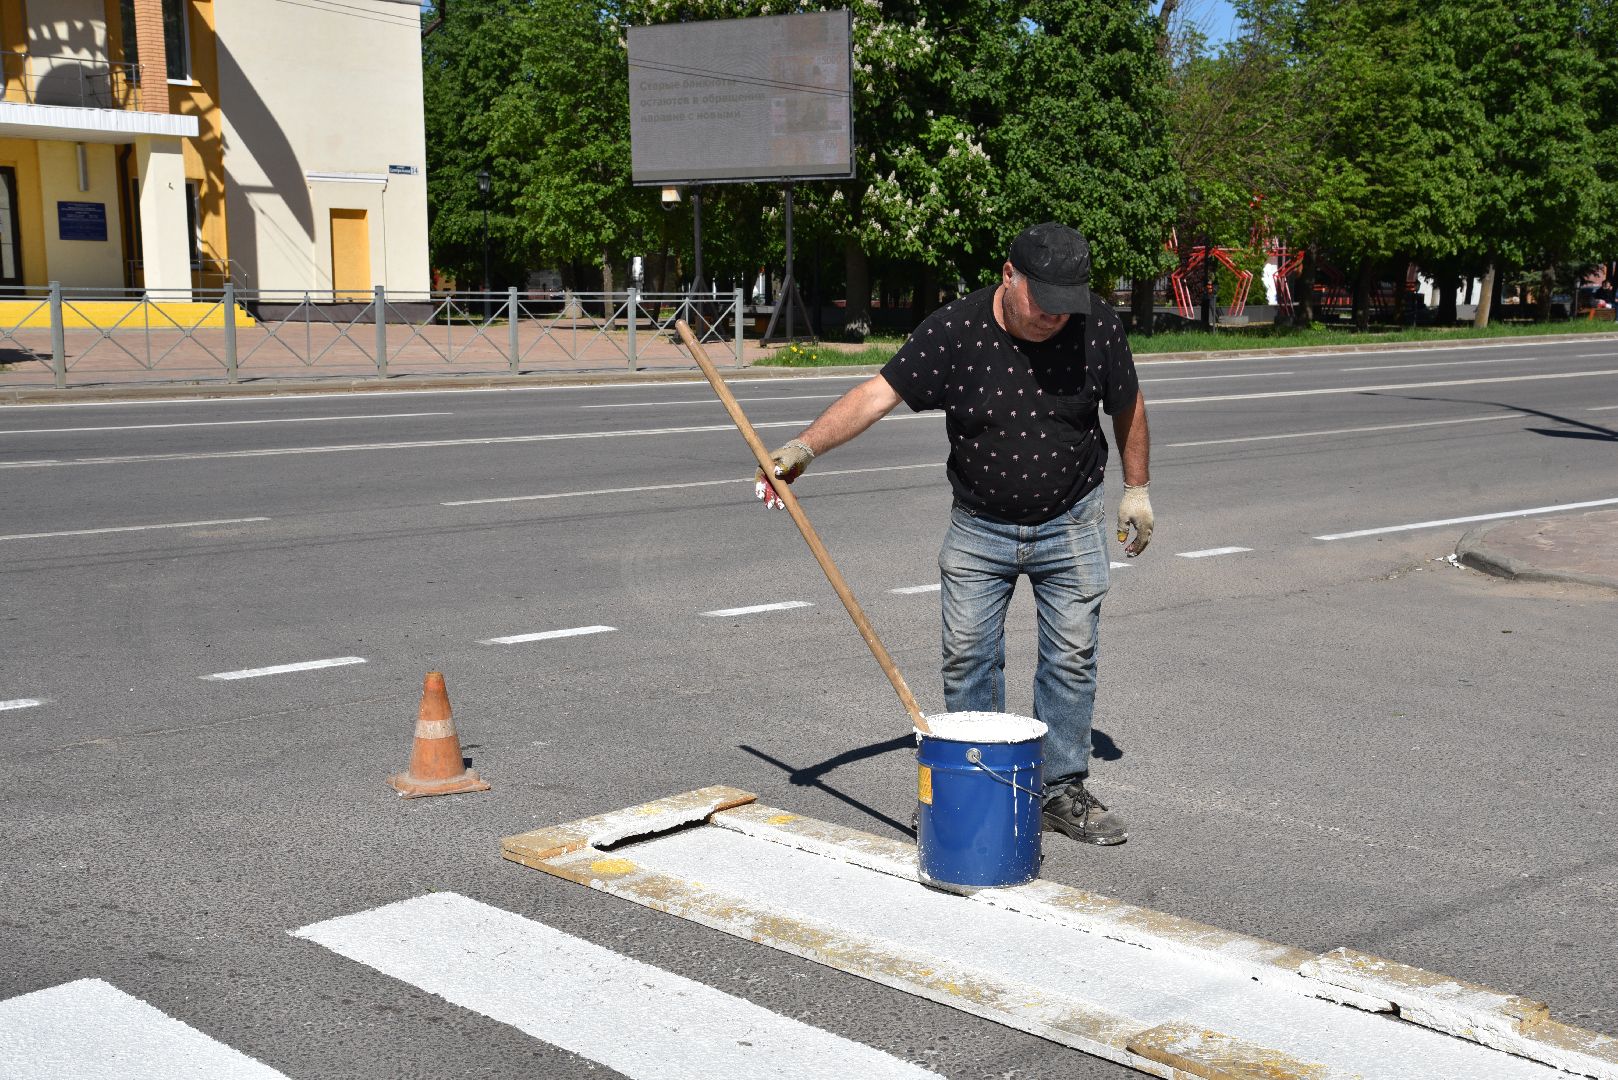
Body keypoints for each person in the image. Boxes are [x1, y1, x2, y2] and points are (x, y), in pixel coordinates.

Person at [753, 222, 1153, 846]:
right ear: (1008, 276)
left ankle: (1058, 788)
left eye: (1065, 304)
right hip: (979, 527)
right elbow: (874, 396)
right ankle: (976, 787)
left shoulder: (1096, 324)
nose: (1055, 316)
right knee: (968, 657)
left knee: (1071, 659)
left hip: (1071, 521)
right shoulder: (955, 329)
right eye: (1042, 301)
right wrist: (803, 448)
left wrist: (1136, 488)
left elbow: (1126, 403)